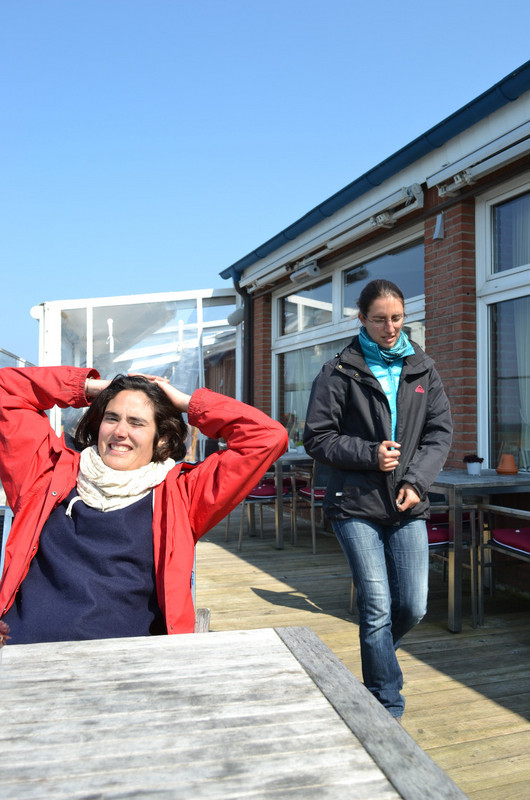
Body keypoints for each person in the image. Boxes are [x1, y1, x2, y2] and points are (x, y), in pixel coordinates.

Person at [0, 367, 288, 643]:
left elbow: (266, 438)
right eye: (111, 418)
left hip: (129, 664)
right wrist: (95, 388)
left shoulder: (182, 495)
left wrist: (187, 403)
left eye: (136, 423)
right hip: (26, 651)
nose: (120, 432)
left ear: (161, 438)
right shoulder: (47, 472)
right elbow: (5, 389)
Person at [303, 278, 452, 720]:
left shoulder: (423, 368)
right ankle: (386, 702)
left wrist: (417, 481)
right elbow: (316, 438)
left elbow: (439, 435)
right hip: (355, 504)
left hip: (409, 503)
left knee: (413, 606)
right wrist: (370, 454)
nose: (390, 328)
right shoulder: (338, 371)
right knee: (376, 606)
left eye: (397, 318)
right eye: (380, 319)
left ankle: (380, 661)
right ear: (361, 319)